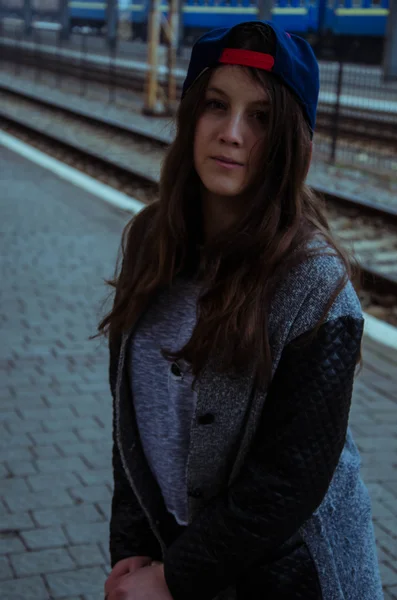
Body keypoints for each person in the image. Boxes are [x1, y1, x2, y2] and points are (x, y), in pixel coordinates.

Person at [97, 20, 384, 600]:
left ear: (290, 143)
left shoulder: (315, 285)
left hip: (295, 576)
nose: (230, 133)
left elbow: (288, 481)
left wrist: (171, 580)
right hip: (182, 559)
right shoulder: (150, 242)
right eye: (215, 105)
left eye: (259, 117)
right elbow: (128, 424)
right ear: (189, 118)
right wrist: (132, 547)